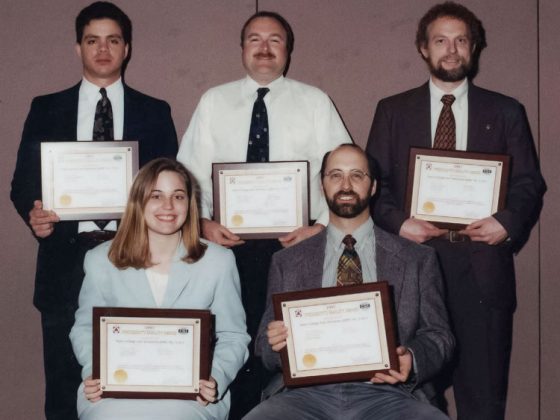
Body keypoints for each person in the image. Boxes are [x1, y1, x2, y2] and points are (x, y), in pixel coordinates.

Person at [365, 2, 546, 419]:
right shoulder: (392, 110)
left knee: (483, 399)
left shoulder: (506, 111)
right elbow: (375, 185)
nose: (451, 50)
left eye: (461, 40)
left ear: (474, 48)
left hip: (481, 271)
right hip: (410, 269)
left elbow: (528, 184)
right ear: (423, 49)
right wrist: (398, 222)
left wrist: (506, 223)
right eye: (440, 40)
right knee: (406, 399)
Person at [177, 11, 351, 417]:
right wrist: (201, 222)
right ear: (242, 49)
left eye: (275, 39)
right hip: (226, 248)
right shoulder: (213, 101)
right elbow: (189, 173)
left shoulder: (315, 101)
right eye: (254, 39)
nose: (264, 48)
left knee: (290, 352)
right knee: (231, 345)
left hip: (296, 247)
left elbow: (344, 174)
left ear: (288, 50)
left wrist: (321, 228)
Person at [10, 2, 177, 419]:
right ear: (78, 48)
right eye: (92, 40)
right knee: (66, 385)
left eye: (113, 40)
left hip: (136, 260)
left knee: (137, 378)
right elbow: (22, 185)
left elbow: (171, 188)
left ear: (127, 49)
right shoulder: (46, 108)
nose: (103, 49)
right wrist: (35, 214)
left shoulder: (155, 112)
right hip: (65, 260)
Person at [243, 144, 453, 420]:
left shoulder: (417, 259)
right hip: (304, 394)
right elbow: (264, 348)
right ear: (322, 185)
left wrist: (411, 359)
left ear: (373, 186)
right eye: (335, 175)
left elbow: (440, 337)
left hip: (390, 393)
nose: (346, 184)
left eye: (357, 175)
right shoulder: (287, 261)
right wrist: (274, 342)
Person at [69, 158, 249, 420]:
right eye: (156, 196)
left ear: (190, 203)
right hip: (115, 389)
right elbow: (84, 328)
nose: (168, 206)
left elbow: (234, 336)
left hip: (192, 394)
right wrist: (93, 371)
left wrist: (215, 377)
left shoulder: (218, 261)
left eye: (178, 196)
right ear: (138, 202)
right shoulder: (100, 260)